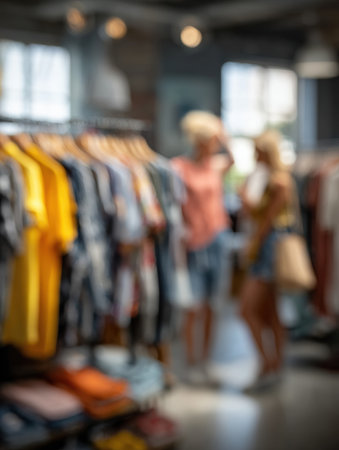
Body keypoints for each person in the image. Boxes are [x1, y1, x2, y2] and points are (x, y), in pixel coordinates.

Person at [172, 110, 234, 383]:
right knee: (192, 307)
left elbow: (232, 157)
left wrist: (222, 133)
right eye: (210, 140)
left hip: (218, 239)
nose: (214, 145)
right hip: (193, 243)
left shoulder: (216, 165)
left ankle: (206, 360)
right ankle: (191, 361)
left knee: (213, 305)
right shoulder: (179, 167)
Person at [239, 130, 294, 387]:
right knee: (270, 312)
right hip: (267, 246)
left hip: (268, 248)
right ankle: (274, 366)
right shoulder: (270, 179)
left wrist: (253, 248)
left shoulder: (278, 181)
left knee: (247, 311)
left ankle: (267, 364)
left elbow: (266, 221)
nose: (253, 155)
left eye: (256, 150)